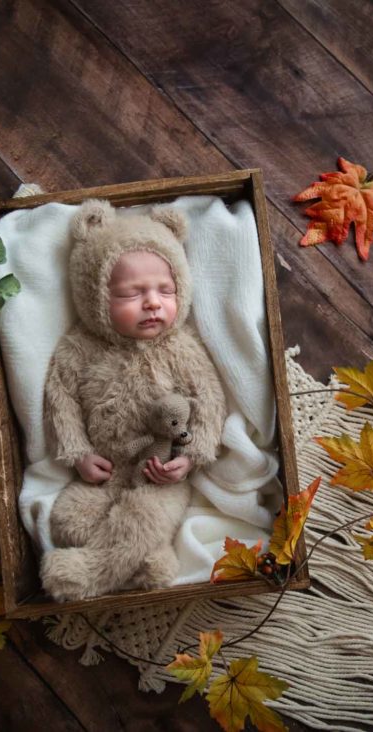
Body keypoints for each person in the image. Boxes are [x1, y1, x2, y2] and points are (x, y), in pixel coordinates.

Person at [38, 198, 227, 601]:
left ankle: (87, 574)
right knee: (67, 521)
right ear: (96, 296)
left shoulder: (182, 348)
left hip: (158, 473)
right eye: (131, 294)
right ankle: (146, 561)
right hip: (105, 471)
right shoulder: (78, 349)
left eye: (165, 290)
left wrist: (190, 459)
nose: (153, 303)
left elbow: (208, 402)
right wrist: (78, 455)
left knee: (143, 515)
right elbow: (61, 401)